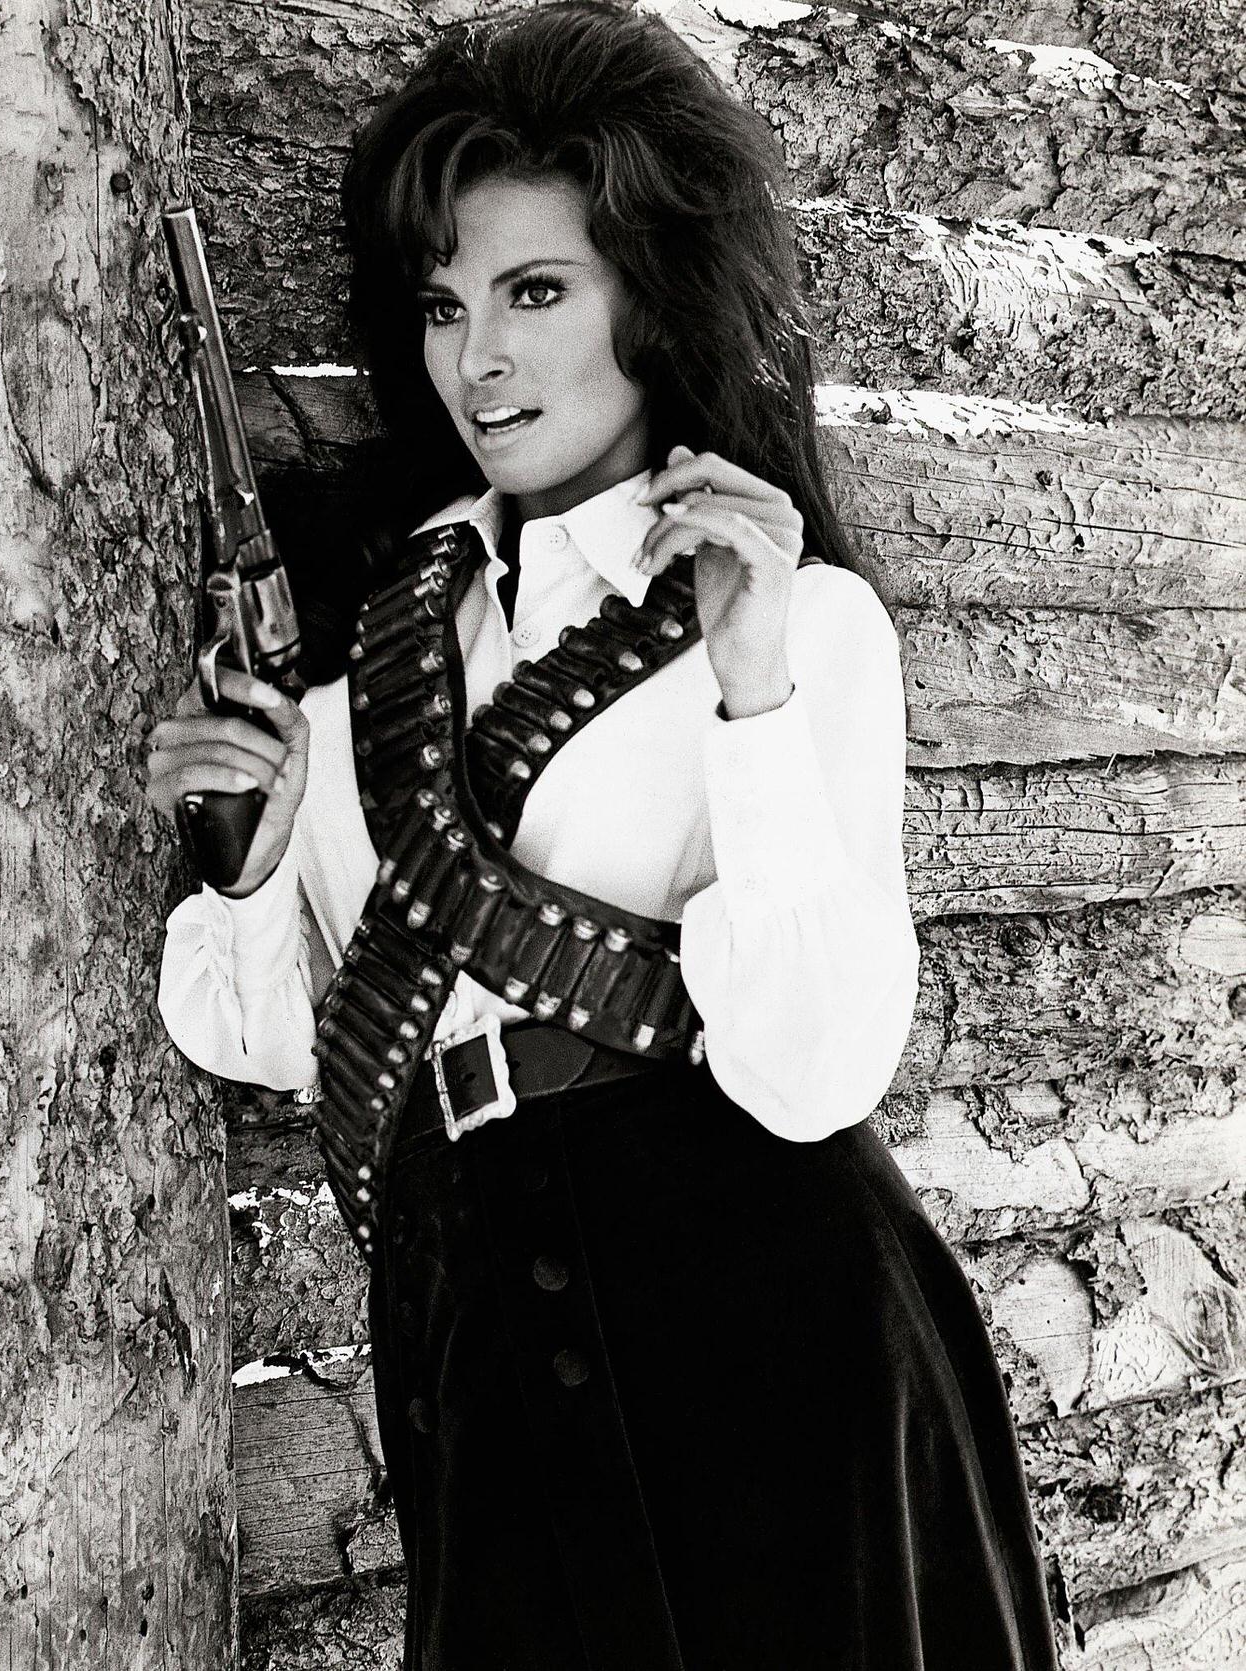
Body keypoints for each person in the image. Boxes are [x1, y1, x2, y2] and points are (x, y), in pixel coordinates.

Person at [145, 4, 1061, 1667]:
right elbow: (276, 1039)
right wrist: (254, 853)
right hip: (476, 1326)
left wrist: (756, 687)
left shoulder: (798, 624)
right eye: (443, 306)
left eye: (534, 292)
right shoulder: (371, 665)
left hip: (766, 1315)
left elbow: (813, 1067)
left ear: (651, 295)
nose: (476, 358)